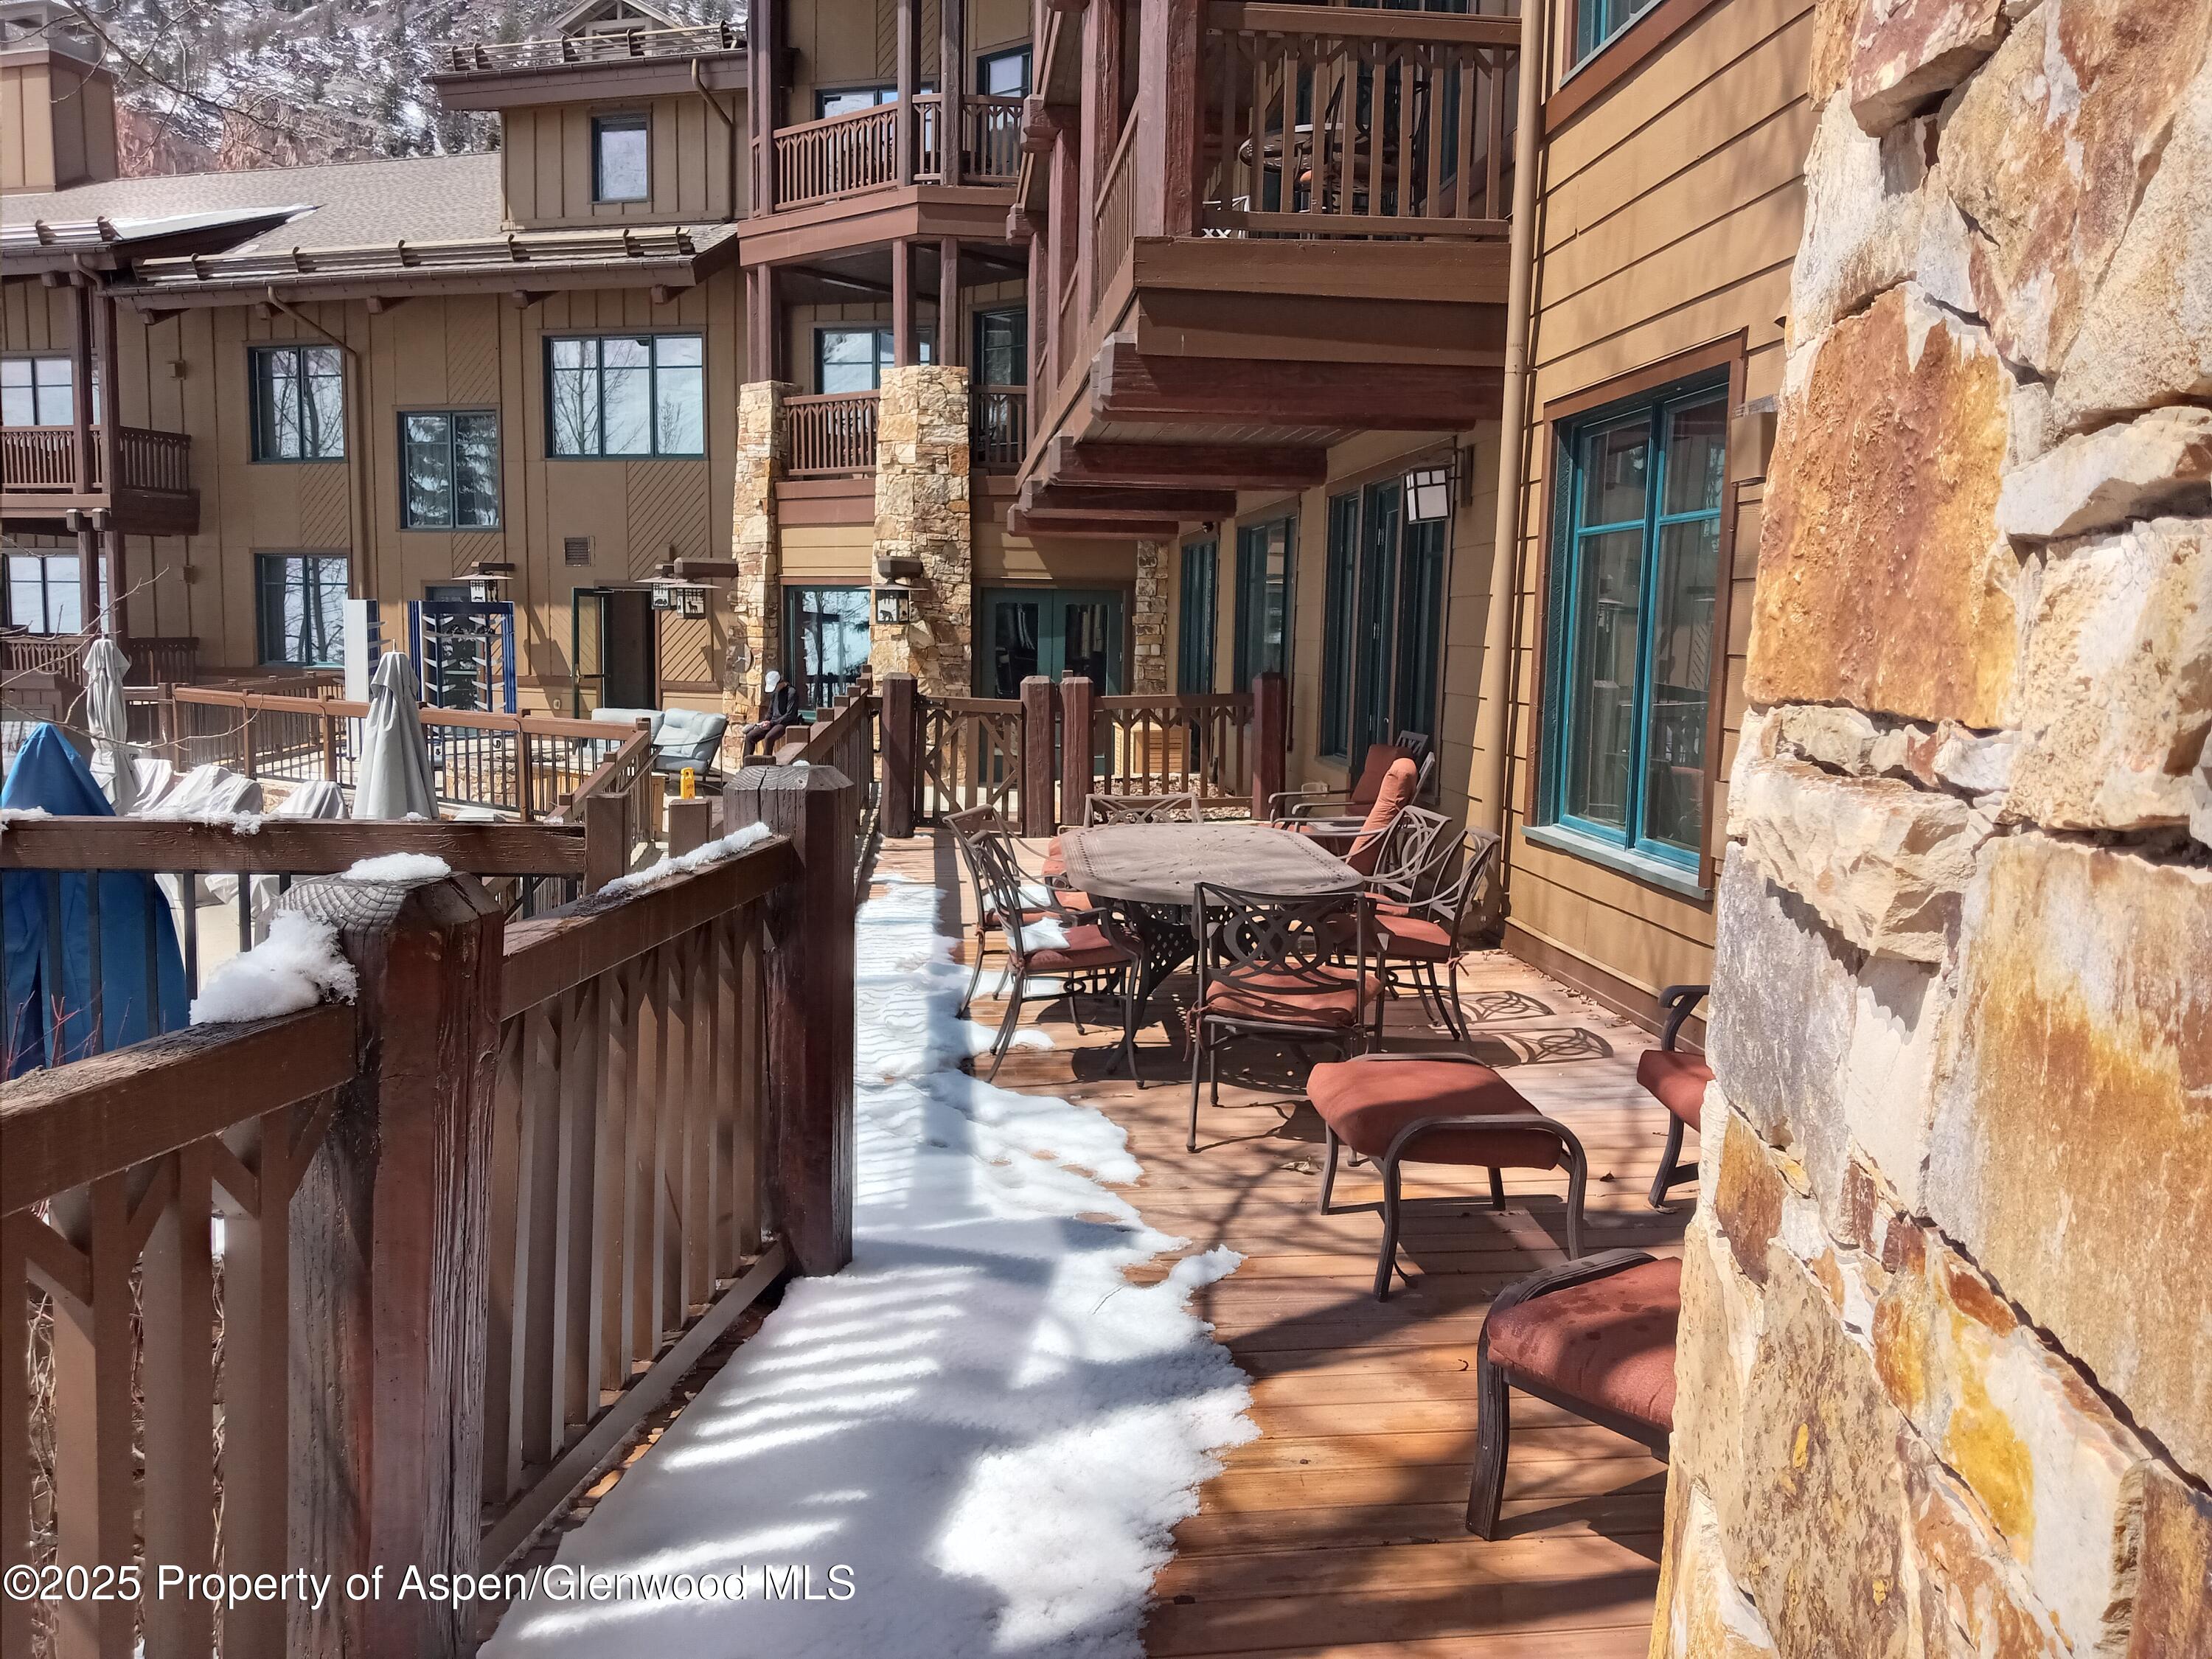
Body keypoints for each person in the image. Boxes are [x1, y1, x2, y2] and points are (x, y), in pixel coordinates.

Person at [741, 669, 803, 761]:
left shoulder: (791, 692)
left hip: (786, 722)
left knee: (769, 738)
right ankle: (746, 763)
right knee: (750, 736)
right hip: (773, 722)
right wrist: (766, 720)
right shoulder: (775, 694)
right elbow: (770, 711)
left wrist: (772, 722)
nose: (775, 689)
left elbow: (790, 715)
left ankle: (766, 763)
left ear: (780, 682)